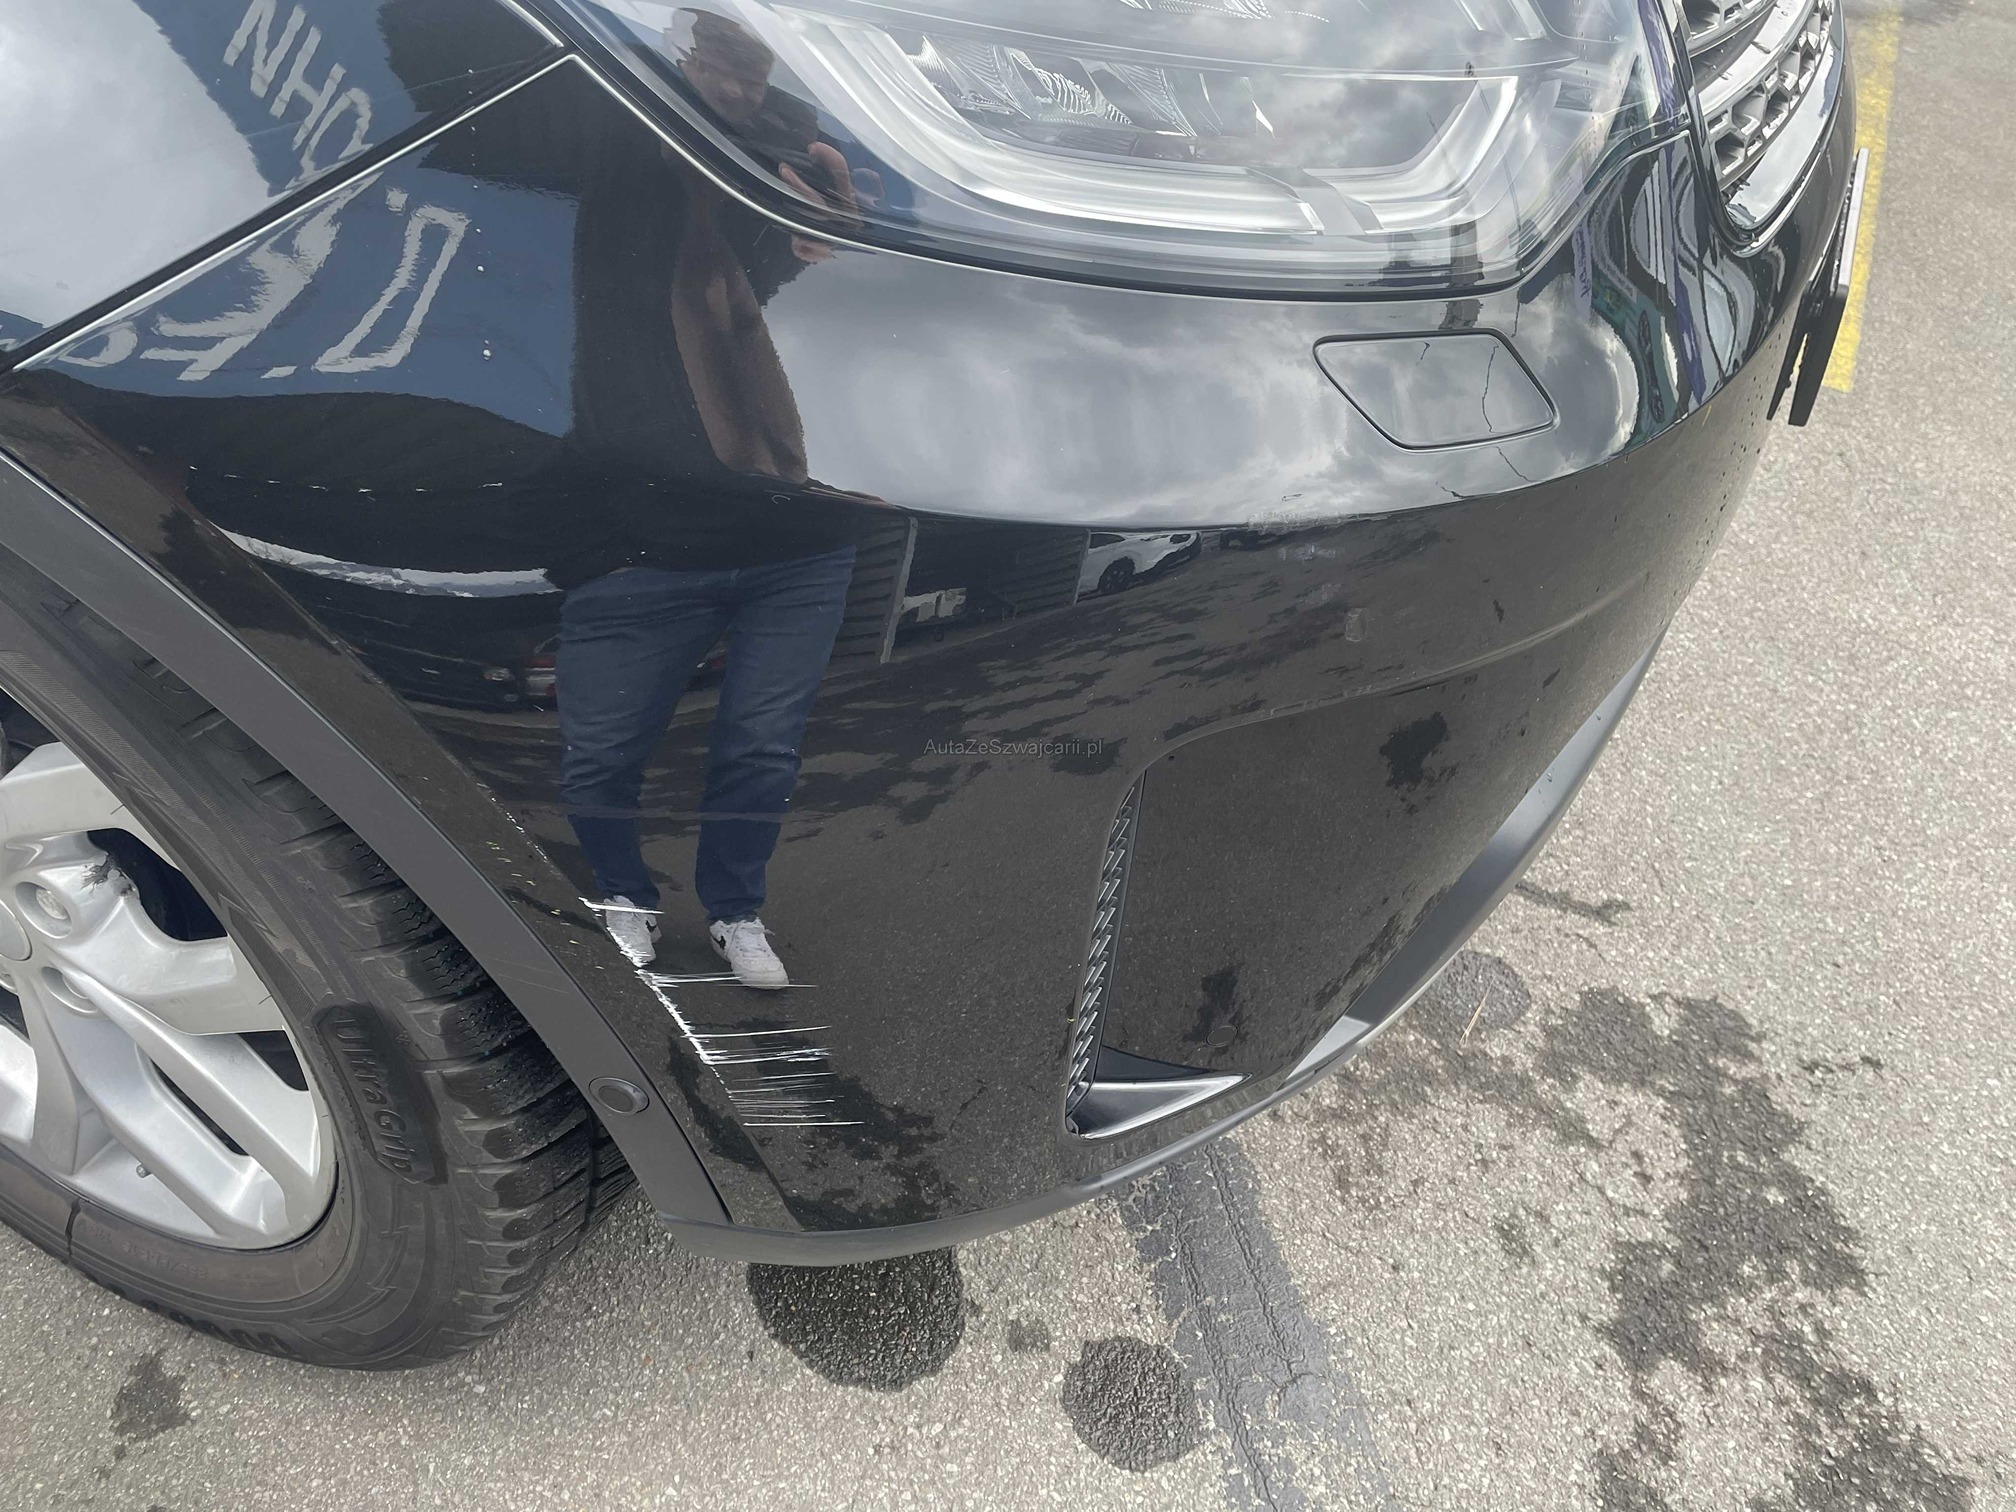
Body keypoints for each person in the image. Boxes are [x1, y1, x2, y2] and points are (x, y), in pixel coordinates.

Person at [551, 10, 867, 987]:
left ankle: (735, 911)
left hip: (796, 533)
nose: (736, 89)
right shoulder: (616, 161)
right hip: (640, 532)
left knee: (762, 749)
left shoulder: (769, 187)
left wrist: (832, 244)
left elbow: (822, 316)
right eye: (717, 65)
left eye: (755, 75)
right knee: (601, 751)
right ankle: (622, 893)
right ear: (674, 56)